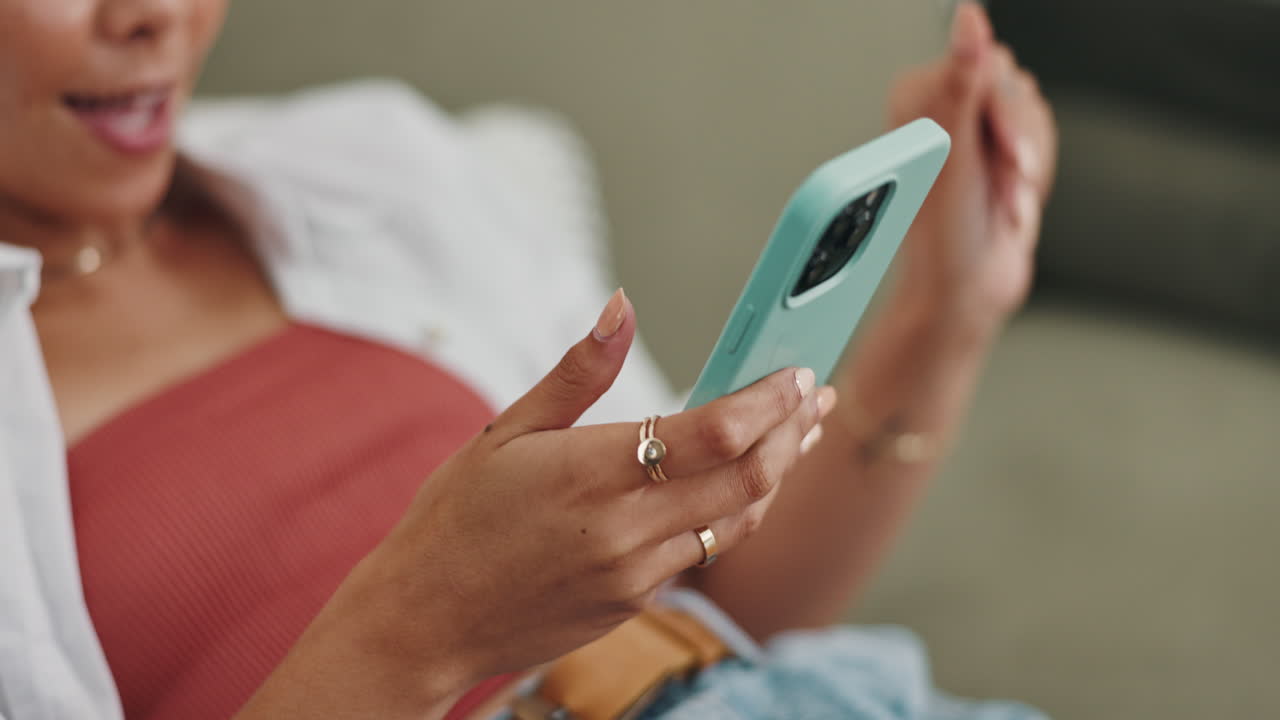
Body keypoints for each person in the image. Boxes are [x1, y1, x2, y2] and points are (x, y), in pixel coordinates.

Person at [0, 1, 1056, 718]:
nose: (152, 15)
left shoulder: (376, 162)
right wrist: (418, 630)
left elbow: (721, 598)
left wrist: (945, 308)